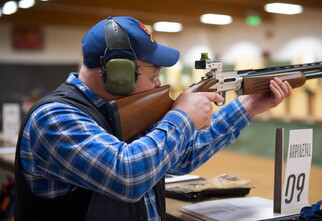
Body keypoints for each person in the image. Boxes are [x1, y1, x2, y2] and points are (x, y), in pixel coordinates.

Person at [14, 16, 292, 221]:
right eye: (154, 73)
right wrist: (182, 116)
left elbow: (180, 158)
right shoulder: (55, 117)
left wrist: (246, 107)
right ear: (119, 73)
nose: (159, 83)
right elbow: (128, 176)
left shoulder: (119, 110)